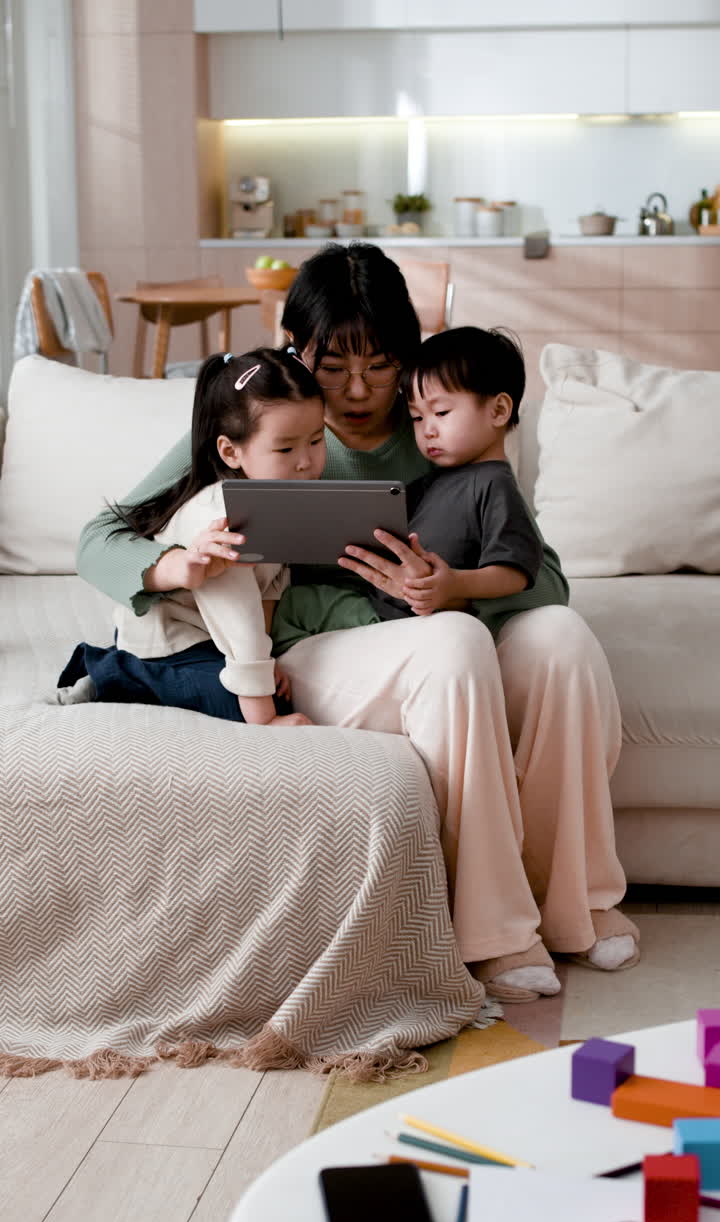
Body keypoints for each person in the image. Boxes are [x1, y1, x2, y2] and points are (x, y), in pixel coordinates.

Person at [76, 242, 639, 1003]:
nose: (358, 388)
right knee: (452, 645)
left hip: (438, 624)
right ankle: (495, 932)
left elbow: (548, 578)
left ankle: (578, 905)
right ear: (295, 348)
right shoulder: (263, 413)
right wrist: (175, 564)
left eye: (380, 364)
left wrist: (450, 587)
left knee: (561, 640)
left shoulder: (438, 422)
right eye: (332, 364)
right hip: (310, 649)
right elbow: (102, 539)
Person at [60, 348, 325, 726]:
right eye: (285, 448)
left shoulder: (282, 495)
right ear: (230, 452)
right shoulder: (224, 519)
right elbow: (238, 614)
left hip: (209, 637)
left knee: (266, 687)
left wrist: (266, 664)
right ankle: (113, 672)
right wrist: (264, 718)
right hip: (169, 639)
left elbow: (269, 592)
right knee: (248, 706)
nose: (306, 461)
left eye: (316, 440)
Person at [363, 325, 569, 637]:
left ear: (498, 410)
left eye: (441, 412)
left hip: (429, 625)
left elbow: (516, 572)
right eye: (417, 418)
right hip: (384, 612)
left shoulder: (494, 484)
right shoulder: (434, 481)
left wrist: (454, 585)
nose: (427, 429)